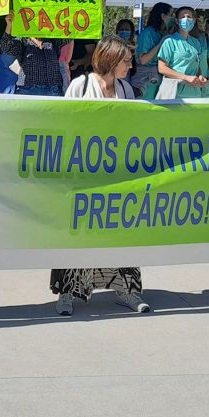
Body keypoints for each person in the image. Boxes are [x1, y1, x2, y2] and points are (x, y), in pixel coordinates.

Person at [51, 36, 151, 316]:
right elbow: (65, 126)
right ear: (110, 59)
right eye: (126, 60)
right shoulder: (79, 86)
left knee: (121, 232)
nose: (130, 66)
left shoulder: (126, 90)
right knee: (77, 233)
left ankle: (127, 291)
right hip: (83, 174)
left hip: (118, 174)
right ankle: (67, 293)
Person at [0, 12, 73, 96]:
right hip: (27, 91)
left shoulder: (53, 39)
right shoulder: (23, 39)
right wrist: (9, 25)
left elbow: (70, 35)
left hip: (53, 91)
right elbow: (6, 48)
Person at [156, 6, 209, 97]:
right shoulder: (169, 42)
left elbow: (197, 66)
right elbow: (162, 68)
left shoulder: (196, 42)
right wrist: (185, 77)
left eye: (189, 17)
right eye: (182, 17)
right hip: (175, 91)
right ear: (177, 21)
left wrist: (200, 76)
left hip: (195, 92)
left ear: (194, 20)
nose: (186, 19)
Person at [130, 2, 172, 99]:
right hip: (144, 79)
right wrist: (161, 43)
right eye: (171, 15)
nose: (172, 18)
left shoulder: (164, 33)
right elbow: (143, 60)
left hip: (159, 78)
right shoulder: (147, 33)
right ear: (163, 16)